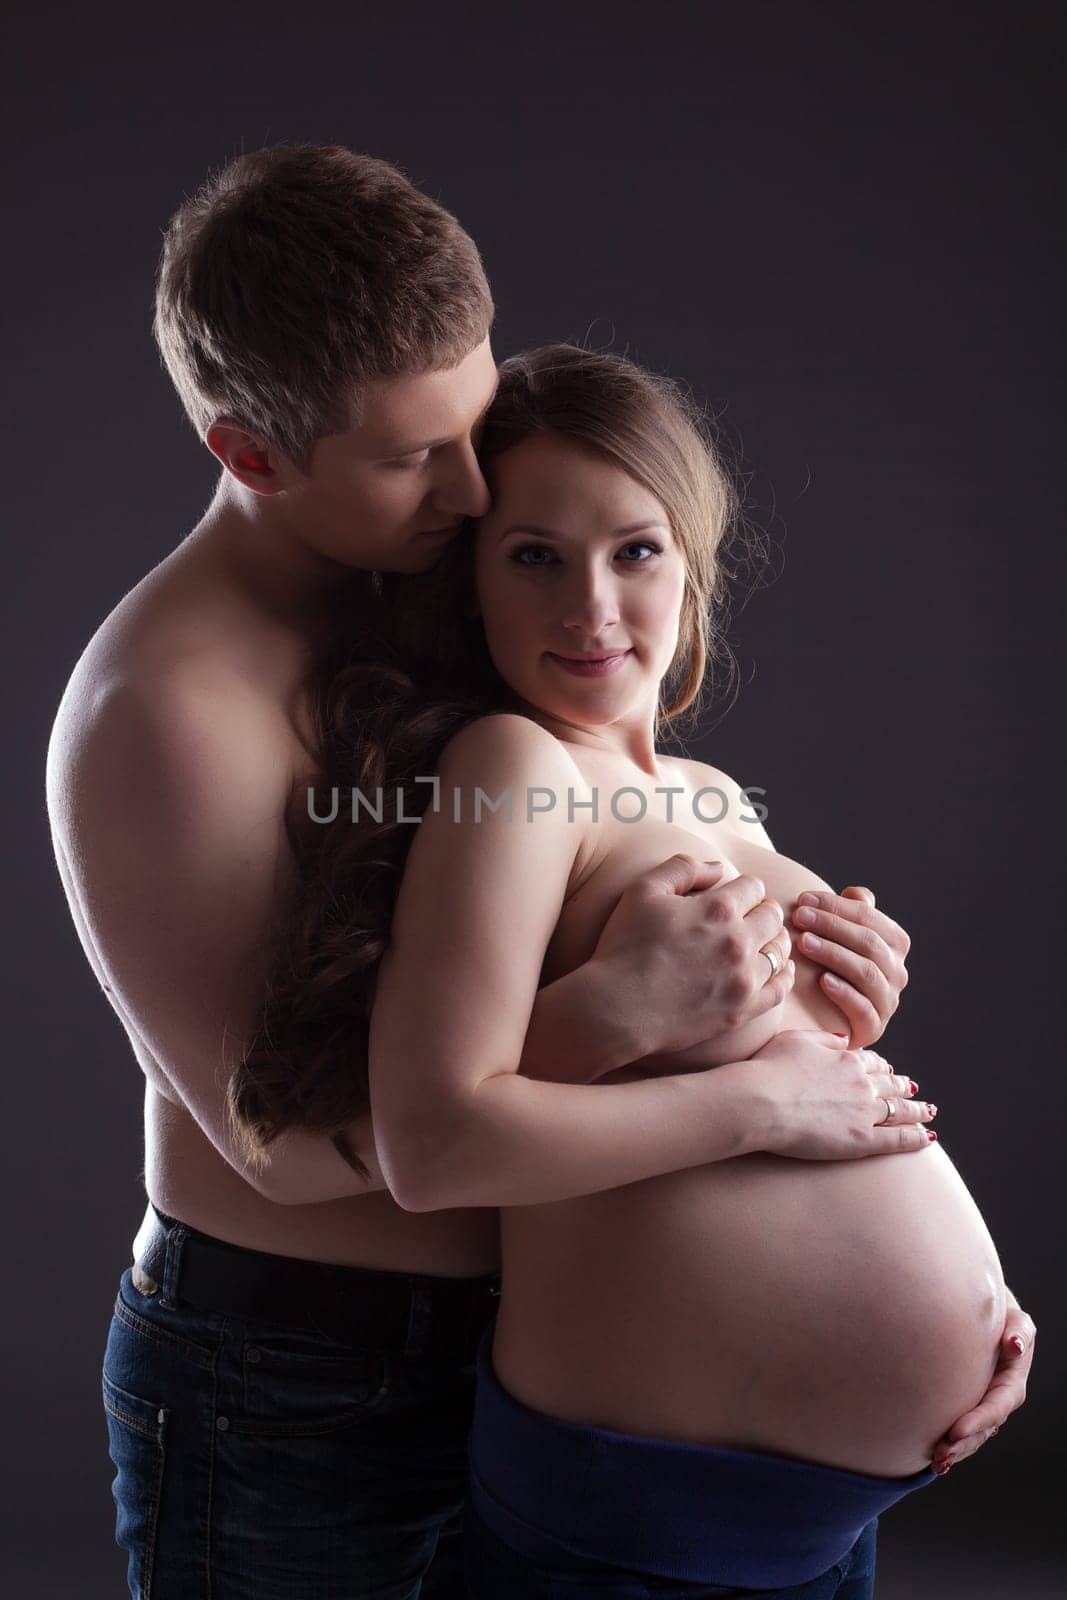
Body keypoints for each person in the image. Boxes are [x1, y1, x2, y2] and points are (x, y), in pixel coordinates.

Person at [41, 145, 877, 1600]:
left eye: (471, 419)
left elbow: (584, 848)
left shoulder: (428, 565)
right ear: (251, 455)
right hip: (300, 1377)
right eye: (416, 455)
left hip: (551, 1338)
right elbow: (291, 1152)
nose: (475, 483)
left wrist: (805, 970)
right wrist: (638, 1023)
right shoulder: (169, 712)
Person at [232, 344, 1037, 1598]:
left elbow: (800, 1105)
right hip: (643, 1495)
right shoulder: (514, 766)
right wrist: (765, 1097)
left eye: (634, 550)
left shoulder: (716, 798)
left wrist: (972, 1299)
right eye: (534, 556)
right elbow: (434, 1142)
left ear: (692, 562)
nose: (590, 609)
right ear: (473, 582)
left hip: (815, 1507)